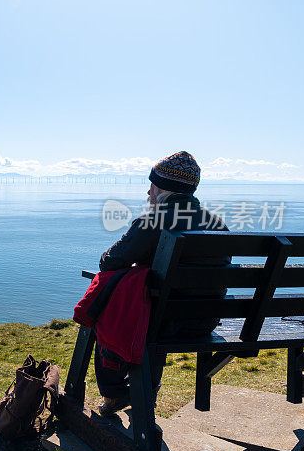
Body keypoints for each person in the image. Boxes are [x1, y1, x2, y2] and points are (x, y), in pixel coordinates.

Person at [95, 151, 230, 416]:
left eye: (153, 185)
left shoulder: (153, 221)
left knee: (112, 313)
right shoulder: (218, 224)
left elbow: (110, 262)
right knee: (157, 309)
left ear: (165, 188)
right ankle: (146, 394)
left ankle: (115, 394)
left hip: (159, 323)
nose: (148, 192)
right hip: (204, 322)